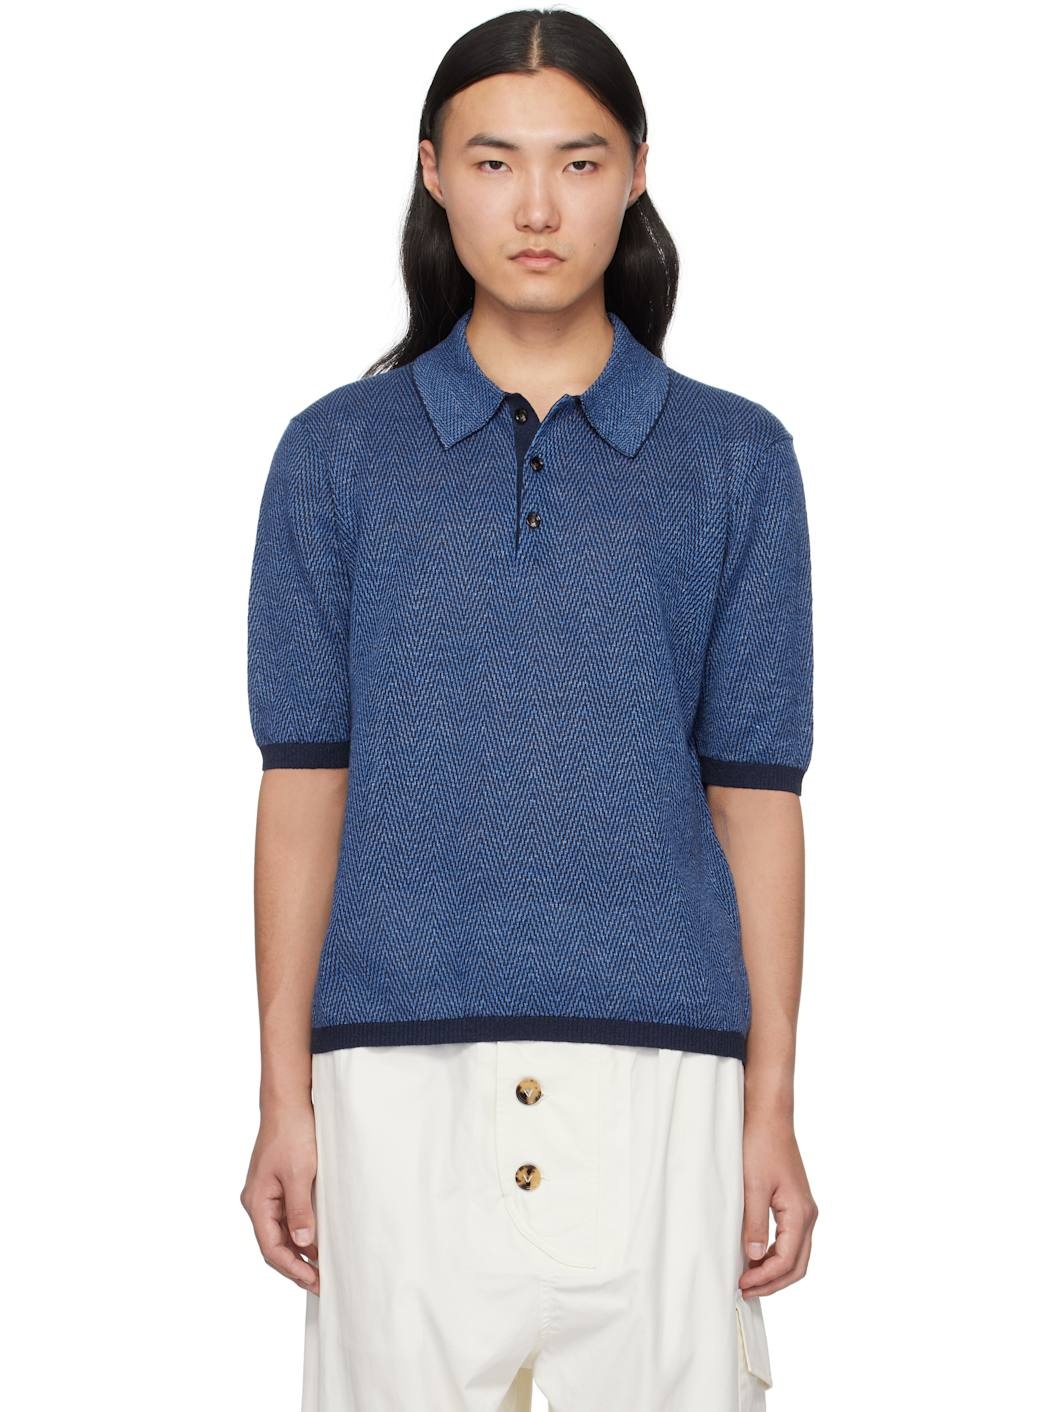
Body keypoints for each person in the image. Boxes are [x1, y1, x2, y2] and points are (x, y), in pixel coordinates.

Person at [240, 10, 818, 1409]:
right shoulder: (336, 457)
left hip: (665, 1077)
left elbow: (756, 798)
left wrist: (772, 1109)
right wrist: (281, 1098)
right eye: (497, 162)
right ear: (433, 173)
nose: (540, 207)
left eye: (581, 161)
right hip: (394, 1076)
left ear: (637, 174)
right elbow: (304, 788)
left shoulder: (735, 459)